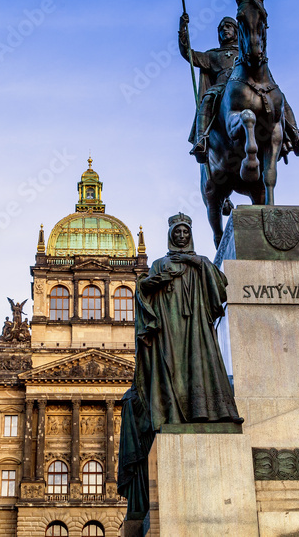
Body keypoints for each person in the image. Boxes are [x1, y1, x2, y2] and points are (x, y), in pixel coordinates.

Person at [118, 213, 241, 519]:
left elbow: (220, 290)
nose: (182, 236)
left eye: (186, 231)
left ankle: (202, 409)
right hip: (170, 332)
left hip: (195, 329)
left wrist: (198, 263)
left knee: (198, 369)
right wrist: (148, 285)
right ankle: (174, 411)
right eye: (178, 232)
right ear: (171, 235)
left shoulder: (201, 263)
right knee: (171, 371)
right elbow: (143, 293)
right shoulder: (160, 264)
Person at [179, 13, 299, 162]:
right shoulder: (212, 55)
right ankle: (201, 141)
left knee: (279, 96)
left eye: (228, 26)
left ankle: (296, 137)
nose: (225, 30)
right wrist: (182, 28)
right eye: (221, 28)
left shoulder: (245, 51)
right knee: (208, 98)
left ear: (236, 31)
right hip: (222, 87)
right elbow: (188, 53)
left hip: (250, 86)